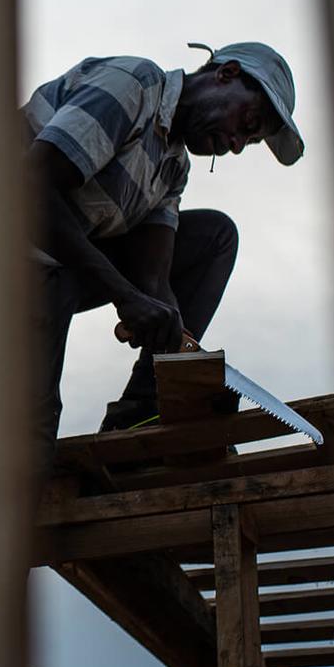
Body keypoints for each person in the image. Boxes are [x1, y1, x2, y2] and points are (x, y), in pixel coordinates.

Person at [25, 41, 305, 463]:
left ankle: (143, 409)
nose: (234, 144)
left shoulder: (173, 169)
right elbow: (30, 187)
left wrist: (185, 359)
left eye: (247, 141)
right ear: (225, 74)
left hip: (58, 269)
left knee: (215, 236)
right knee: (30, 439)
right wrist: (124, 296)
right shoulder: (135, 85)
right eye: (246, 121)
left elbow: (154, 281)